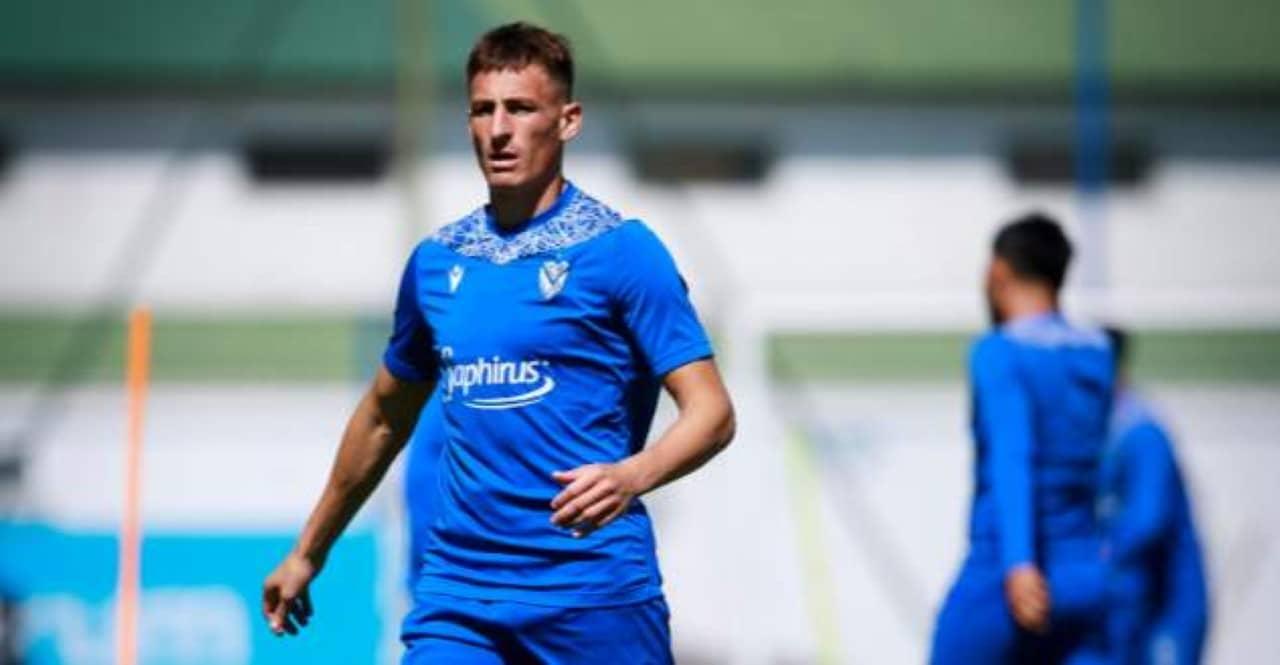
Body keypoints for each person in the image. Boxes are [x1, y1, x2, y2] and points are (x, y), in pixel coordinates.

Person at [261, 21, 735, 664]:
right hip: (460, 597)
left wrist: (632, 475)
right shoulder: (437, 263)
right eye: (483, 110)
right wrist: (308, 551)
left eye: (520, 109)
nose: (499, 129)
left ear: (567, 120)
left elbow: (712, 412)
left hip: (592, 595)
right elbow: (382, 415)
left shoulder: (622, 251)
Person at [930, 213, 1114, 664]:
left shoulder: (999, 352)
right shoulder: (1097, 352)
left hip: (1010, 572)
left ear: (998, 271)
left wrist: (1019, 563)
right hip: (1085, 575)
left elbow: (1014, 456)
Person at [1100, 328, 1209, 665]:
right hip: (1132, 604)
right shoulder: (1103, 426)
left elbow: (1148, 519)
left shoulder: (1140, 429)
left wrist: (1098, 554)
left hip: (1168, 607)